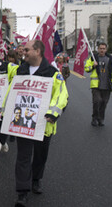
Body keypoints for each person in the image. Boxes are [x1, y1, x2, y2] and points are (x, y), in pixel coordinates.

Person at [12, 40, 68, 207]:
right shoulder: (20, 70)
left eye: (27, 50)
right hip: (23, 122)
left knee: (40, 156)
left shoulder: (52, 72)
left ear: (37, 51)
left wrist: (53, 112)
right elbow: (11, 91)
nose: (24, 52)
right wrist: (4, 113)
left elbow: (61, 94)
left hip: (44, 123)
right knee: (23, 157)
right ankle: (22, 192)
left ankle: (36, 179)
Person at [84, 42, 112, 126]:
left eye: (104, 48)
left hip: (107, 85)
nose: (102, 50)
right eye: (100, 48)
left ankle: (101, 119)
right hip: (96, 85)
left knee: (104, 103)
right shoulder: (93, 58)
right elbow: (86, 68)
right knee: (97, 101)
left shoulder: (111, 59)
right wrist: (93, 66)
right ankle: (94, 118)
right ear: (98, 49)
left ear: (106, 49)